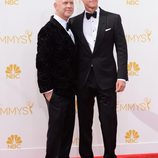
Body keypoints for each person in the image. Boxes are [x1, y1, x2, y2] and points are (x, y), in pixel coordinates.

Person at [70, 0, 128, 158]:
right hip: (83, 80)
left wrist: (122, 76)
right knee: (84, 122)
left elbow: (121, 48)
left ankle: (110, 154)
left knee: (109, 120)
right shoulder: (73, 22)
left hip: (108, 79)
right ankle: (86, 155)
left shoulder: (113, 19)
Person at [36, 0, 76, 157]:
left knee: (67, 133)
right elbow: (42, 62)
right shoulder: (47, 30)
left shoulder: (72, 28)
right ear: (56, 5)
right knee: (56, 134)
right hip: (57, 92)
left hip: (70, 91)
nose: (69, 6)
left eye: (71, 3)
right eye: (65, 2)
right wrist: (48, 91)